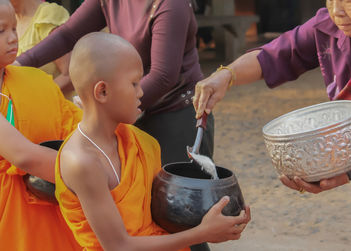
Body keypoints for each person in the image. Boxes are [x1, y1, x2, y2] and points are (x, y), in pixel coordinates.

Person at [193, 0, 351, 250]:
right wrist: (226, 76)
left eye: (350, 0)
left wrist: (342, 173)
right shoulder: (328, 26)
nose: (337, 11)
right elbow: (277, 54)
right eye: (331, 0)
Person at [54, 32, 250, 251]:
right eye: (134, 83)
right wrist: (201, 233)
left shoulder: (138, 141)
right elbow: (118, 246)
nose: (141, 92)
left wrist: (225, 216)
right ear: (102, 91)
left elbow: (162, 214)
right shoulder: (81, 161)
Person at [16, 0, 214, 167]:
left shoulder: (170, 4)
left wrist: (106, 111)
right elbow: (67, 35)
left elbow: (162, 76)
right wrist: (17, 64)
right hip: (128, 105)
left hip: (174, 111)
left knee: (173, 201)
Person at [0, 1, 82, 250]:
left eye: (14, 28)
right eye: (1, 31)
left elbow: (76, 128)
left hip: (50, 207)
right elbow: (24, 156)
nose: (13, 38)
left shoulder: (35, 80)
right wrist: (93, 175)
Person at [11, 0, 73, 95]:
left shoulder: (48, 15)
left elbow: (70, 76)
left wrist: (35, 98)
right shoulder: (8, 20)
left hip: (55, 107)